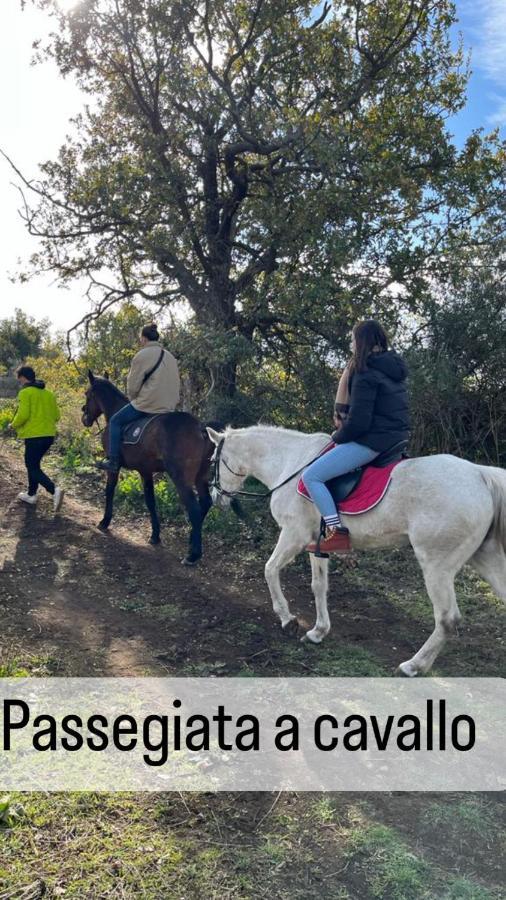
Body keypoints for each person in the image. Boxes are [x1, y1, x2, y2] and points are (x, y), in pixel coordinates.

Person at [304, 320, 409, 553]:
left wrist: (338, 436)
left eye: (353, 339)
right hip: (395, 438)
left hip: (373, 442)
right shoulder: (393, 369)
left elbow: (359, 423)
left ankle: (336, 533)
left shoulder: (366, 372)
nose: (351, 344)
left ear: (361, 341)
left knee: (312, 476)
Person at [96, 323, 180, 473]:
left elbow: (133, 386)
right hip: (169, 406)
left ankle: (113, 461)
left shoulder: (141, 355)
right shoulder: (170, 356)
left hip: (148, 404)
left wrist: (134, 399)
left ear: (143, 338)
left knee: (115, 421)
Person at [10, 365, 64, 511]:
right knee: (34, 465)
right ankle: (31, 494)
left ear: (23, 377)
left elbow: (23, 415)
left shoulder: (25, 393)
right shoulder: (49, 394)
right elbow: (57, 416)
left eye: (19, 379)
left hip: (34, 436)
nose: (19, 382)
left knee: (31, 465)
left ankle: (54, 490)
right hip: (48, 436)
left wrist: (12, 425)